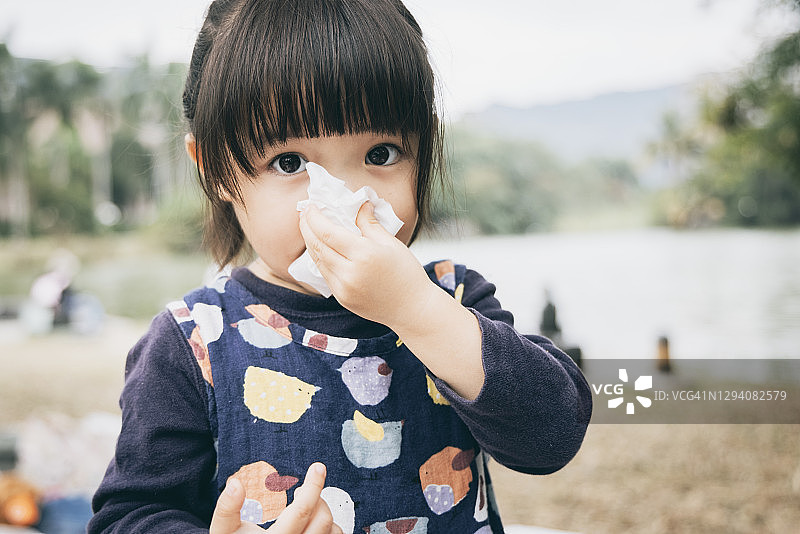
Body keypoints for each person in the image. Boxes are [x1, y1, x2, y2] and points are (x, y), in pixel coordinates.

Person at [89, 1, 592, 532]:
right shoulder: (192, 344)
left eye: (382, 153)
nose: (348, 201)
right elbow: (129, 514)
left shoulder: (451, 299)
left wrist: (417, 309)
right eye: (289, 163)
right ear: (215, 168)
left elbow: (551, 435)